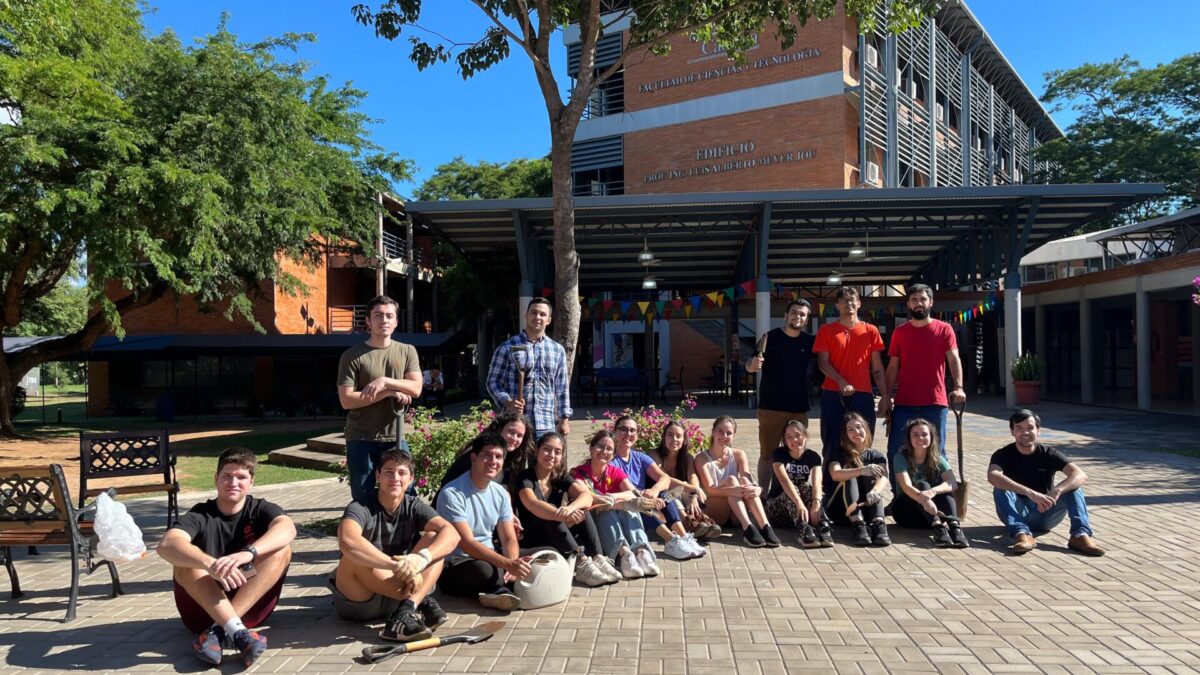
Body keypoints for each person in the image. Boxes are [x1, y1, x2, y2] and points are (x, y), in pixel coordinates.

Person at [156, 448, 296, 667]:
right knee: (184, 562)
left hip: (249, 608)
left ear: (251, 482)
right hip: (201, 611)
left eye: (241, 477)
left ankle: (220, 632)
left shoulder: (260, 509)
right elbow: (166, 544)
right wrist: (209, 564)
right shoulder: (200, 514)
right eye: (226, 476)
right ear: (216, 479)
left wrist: (248, 553)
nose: (233, 482)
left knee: (281, 550)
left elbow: (287, 528)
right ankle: (238, 633)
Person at [333, 449, 460, 642]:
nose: (395, 478)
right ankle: (421, 600)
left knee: (436, 539)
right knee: (352, 557)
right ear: (377, 476)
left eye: (401, 472)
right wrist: (396, 566)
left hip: (399, 594)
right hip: (362, 600)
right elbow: (347, 540)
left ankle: (404, 612)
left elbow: (451, 533)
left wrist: (420, 559)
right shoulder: (361, 506)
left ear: (411, 478)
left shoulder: (413, 505)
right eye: (388, 472)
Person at [337, 295, 423, 503]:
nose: (383, 320)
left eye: (388, 316)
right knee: (363, 495)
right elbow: (347, 400)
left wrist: (385, 381)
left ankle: (405, 533)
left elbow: (416, 388)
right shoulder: (352, 355)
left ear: (395, 321)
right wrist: (387, 393)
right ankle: (367, 533)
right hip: (361, 437)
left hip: (396, 436)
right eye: (378, 315)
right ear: (368, 321)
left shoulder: (407, 351)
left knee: (405, 493)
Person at [988, 409, 1105, 556]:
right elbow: (992, 475)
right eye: (1019, 428)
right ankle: (1022, 535)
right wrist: (1029, 493)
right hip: (1017, 512)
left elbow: (1080, 474)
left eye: (1030, 428)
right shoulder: (1003, 454)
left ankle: (1079, 536)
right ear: (1012, 431)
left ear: (1038, 431)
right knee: (1000, 488)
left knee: (1074, 488)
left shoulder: (1048, 453)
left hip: (1045, 512)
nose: (1025, 432)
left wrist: (1057, 491)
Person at [435, 431, 531, 611]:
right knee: (485, 570)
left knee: (541, 554)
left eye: (498, 457)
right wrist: (507, 563)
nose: (493, 461)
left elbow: (509, 538)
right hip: (458, 564)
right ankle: (501, 589)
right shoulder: (452, 493)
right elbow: (467, 544)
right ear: (473, 458)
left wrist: (512, 562)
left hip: (491, 556)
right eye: (486, 455)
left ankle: (500, 587)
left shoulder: (501, 493)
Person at [513, 432, 622, 586]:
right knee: (552, 511)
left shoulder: (559, 477)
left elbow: (587, 496)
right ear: (536, 451)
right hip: (531, 537)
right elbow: (532, 503)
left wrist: (570, 509)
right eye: (547, 449)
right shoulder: (525, 478)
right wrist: (562, 515)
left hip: (556, 533)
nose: (551, 455)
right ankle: (582, 562)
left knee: (582, 509)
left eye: (557, 452)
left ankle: (598, 558)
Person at [882, 284, 966, 483]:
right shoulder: (900, 333)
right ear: (908, 304)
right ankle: (898, 497)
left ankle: (938, 496)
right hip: (904, 403)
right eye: (914, 300)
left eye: (922, 299)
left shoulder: (944, 329)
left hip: (935, 403)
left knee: (937, 450)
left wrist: (959, 387)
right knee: (895, 449)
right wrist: (886, 396)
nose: (918, 304)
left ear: (931, 302)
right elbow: (893, 367)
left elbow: (954, 359)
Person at [609, 415, 706, 560]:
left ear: (637, 435)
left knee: (665, 493)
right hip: (626, 505)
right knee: (643, 503)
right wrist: (646, 497)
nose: (628, 434)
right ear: (615, 431)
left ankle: (683, 536)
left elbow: (665, 478)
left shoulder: (639, 457)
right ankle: (670, 541)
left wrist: (654, 491)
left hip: (646, 499)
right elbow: (625, 492)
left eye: (632, 431)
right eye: (623, 429)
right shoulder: (611, 462)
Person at [746, 299, 817, 488]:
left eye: (802, 314)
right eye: (794, 312)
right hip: (771, 407)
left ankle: (793, 493)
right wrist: (751, 366)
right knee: (768, 453)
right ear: (786, 316)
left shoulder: (810, 342)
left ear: (807, 319)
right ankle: (763, 493)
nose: (797, 317)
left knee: (797, 453)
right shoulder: (770, 337)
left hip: (799, 408)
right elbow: (751, 363)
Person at [570, 430, 660, 579]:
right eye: (600, 446)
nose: (604, 451)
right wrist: (619, 503)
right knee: (609, 510)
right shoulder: (578, 472)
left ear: (613, 454)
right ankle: (624, 554)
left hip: (616, 514)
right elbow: (589, 498)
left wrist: (613, 497)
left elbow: (632, 492)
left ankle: (640, 551)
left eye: (609, 449)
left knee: (631, 509)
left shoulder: (614, 471)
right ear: (591, 448)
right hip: (593, 522)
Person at [813, 286, 888, 463]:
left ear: (859, 303)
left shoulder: (871, 331)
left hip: (863, 393)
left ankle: (863, 483)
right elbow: (823, 362)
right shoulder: (827, 330)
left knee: (863, 440)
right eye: (844, 300)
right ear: (837, 305)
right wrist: (840, 381)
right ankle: (830, 485)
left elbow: (877, 368)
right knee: (832, 441)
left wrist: (885, 396)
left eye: (853, 299)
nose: (849, 303)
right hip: (833, 393)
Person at [486, 297, 572, 438]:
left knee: (544, 460)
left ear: (549, 320)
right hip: (515, 424)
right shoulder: (508, 347)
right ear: (526, 315)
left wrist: (564, 419)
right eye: (534, 312)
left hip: (546, 425)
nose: (537, 317)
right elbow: (493, 382)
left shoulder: (557, 350)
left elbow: (561, 388)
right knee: (516, 461)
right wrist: (507, 402)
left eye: (542, 314)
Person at [695, 416, 781, 548]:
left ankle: (765, 526)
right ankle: (748, 529)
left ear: (734, 435)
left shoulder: (739, 454)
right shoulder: (702, 458)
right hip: (716, 511)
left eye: (729, 433)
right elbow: (710, 490)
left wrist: (757, 489)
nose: (724, 436)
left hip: (737, 515)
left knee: (744, 480)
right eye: (720, 431)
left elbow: (748, 481)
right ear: (713, 431)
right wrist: (732, 489)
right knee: (732, 480)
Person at [891, 418, 968, 548]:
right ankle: (938, 528)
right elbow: (906, 487)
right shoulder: (900, 457)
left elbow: (952, 483)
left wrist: (933, 491)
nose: (920, 438)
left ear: (931, 437)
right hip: (906, 513)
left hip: (932, 512)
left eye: (924, 434)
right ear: (909, 438)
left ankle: (955, 527)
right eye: (915, 435)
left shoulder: (937, 458)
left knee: (944, 492)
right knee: (922, 485)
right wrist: (926, 500)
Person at [435, 411, 534, 503]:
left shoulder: (512, 456)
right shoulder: (478, 453)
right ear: (499, 429)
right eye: (511, 432)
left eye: (519, 435)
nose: (514, 438)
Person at [648, 419, 722, 541]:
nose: (674, 439)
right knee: (675, 492)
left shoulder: (687, 458)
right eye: (670, 435)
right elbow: (667, 480)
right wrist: (695, 489)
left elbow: (693, 477)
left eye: (678, 436)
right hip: (660, 502)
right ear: (664, 437)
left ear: (684, 440)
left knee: (686, 489)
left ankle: (700, 520)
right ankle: (686, 523)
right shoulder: (653, 454)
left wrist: (693, 496)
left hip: (682, 499)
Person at [825, 412, 891, 547]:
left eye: (859, 427)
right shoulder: (838, 453)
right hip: (840, 510)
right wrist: (861, 470)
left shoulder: (877, 455)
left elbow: (884, 477)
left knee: (874, 475)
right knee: (851, 476)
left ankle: (879, 523)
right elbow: (835, 474)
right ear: (845, 434)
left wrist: (876, 491)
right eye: (850, 429)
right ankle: (857, 524)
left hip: (866, 507)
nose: (856, 432)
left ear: (866, 429)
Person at [765, 420, 832, 548]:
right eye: (789, 437)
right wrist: (799, 503)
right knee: (794, 488)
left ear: (805, 436)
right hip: (777, 510)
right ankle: (804, 530)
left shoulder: (813, 457)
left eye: (797, 435)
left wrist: (816, 503)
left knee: (807, 487)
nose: (794, 440)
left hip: (797, 511)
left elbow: (817, 482)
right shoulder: (779, 454)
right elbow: (784, 481)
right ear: (784, 441)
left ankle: (822, 525)